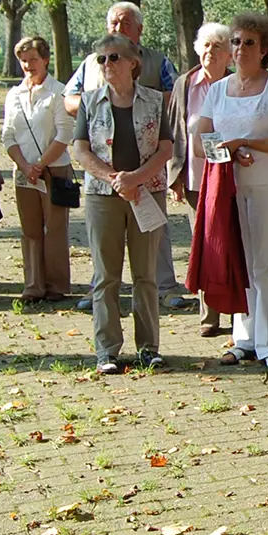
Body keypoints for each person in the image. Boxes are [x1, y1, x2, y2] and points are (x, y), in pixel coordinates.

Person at [62, 2, 186, 311]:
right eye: (113, 22)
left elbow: (173, 97)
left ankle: (165, 287)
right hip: (104, 177)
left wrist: (137, 99)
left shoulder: (157, 61)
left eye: (124, 22)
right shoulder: (91, 63)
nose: (117, 27)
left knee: (153, 235)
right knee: (106, 247)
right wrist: (100, 105)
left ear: (139, 29)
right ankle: (101, 295)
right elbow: (69, 98)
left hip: (147, 170)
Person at [197, 12, 268, 372]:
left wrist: (246, 142)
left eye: (248, 43)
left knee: (266, 262)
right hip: (227, 184)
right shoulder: (217, 89)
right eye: (235, 42)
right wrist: (230, 151)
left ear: (264, 49)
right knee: (239, 260)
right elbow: (202, 140)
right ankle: (244, 339)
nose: (240, 49)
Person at [71, 32, 173, 375]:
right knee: (106, 275)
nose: (107, 65)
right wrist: (114, 178)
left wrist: (136, 179)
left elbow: (166, 148)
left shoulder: (156, 100)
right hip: (103, 197)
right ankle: (107, 350)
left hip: (148, 193)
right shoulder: (89, 101)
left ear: (134, 64)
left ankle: (149, 348)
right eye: (101, 59)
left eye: (114, 57)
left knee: (146, 274)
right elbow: (81, 149)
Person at [168, 22, 233, 337]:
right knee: (205, 244)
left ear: (229, 54)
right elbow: (175, 132)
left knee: (233, 242)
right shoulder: (184, 84)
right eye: (206, 45)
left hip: (234, 176)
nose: (211, 51)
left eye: (218, 46)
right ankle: (210, 318)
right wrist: (175, 176)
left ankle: (238, 314)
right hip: (197, 179)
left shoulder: (237, 84)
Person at [2, 35, 73, 303]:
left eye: (33, 59)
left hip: (54, 170)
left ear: (45, 59)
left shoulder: (59, 92)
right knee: (30, 230)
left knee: (54, 229)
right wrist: (25, 166)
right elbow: (7, 135)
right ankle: (33, 285)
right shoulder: (14, 94)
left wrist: (41, 165)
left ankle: (56, 285)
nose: (28, 65)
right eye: (23, 61)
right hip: (23, 173)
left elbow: (64, 133)